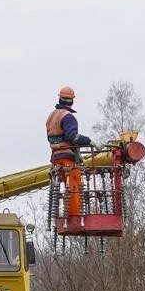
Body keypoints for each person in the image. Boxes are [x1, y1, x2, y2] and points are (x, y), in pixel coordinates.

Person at [45, 86, 93, 217]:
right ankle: (74, 216)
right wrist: (89, 141)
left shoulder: (51, 116)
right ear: (72, 101)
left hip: (55, 158)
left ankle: (64, 215)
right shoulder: (68, 117)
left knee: (61, 189)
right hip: (67, 158)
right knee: (74, 187)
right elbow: (72, 136)